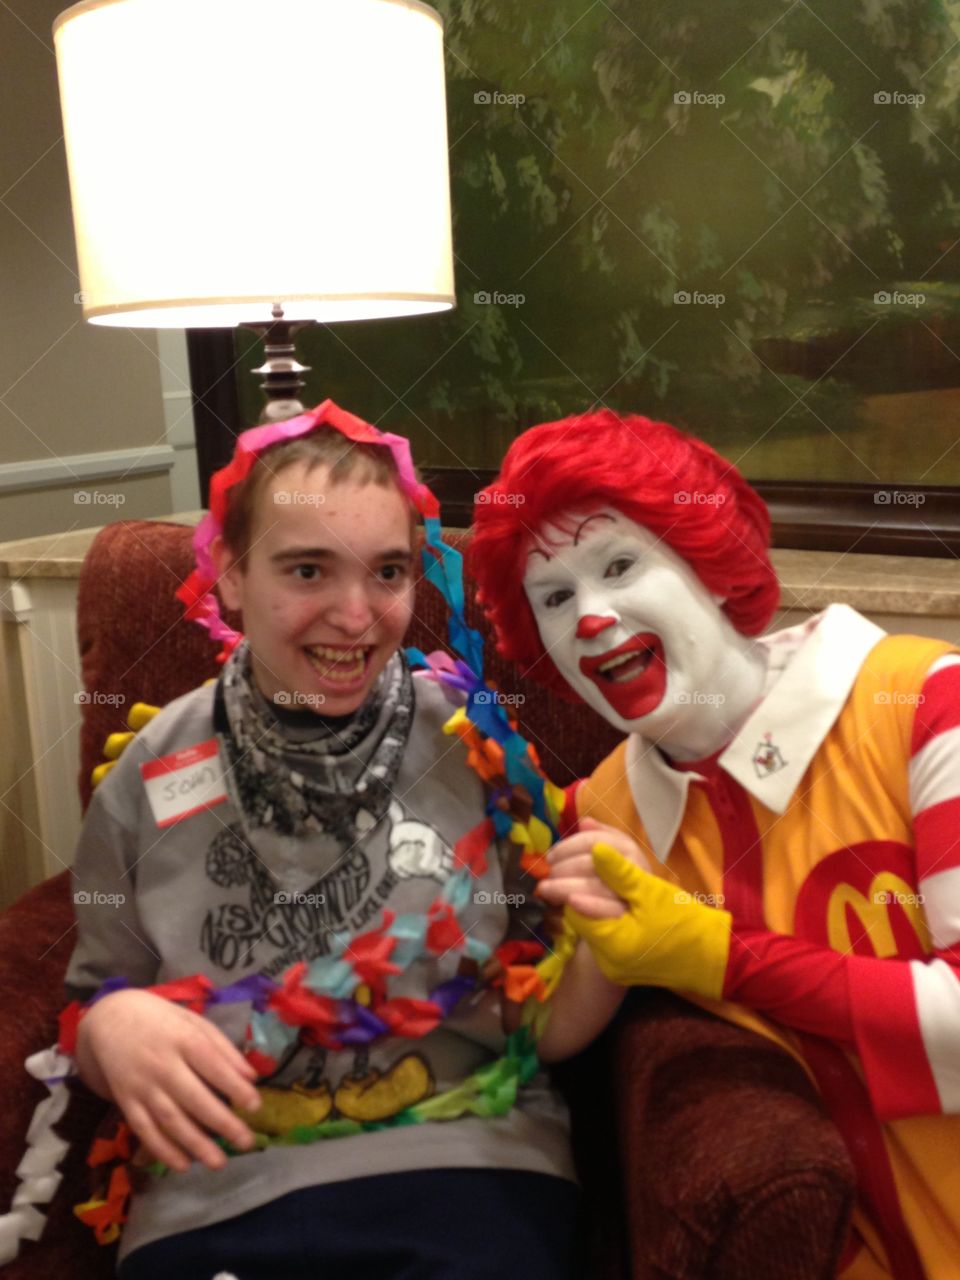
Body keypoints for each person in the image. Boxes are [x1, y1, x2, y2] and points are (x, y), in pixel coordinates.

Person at [64, 401, 626, 1280]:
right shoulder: (151, 768)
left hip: (463, 1165)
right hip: (219, 1191)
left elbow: (535, 1015)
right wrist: (112, 1028)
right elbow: (94, 998)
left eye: (389, 572)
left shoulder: (476, 749)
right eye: (308, 570)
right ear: (231, 576)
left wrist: (608, 946)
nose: (356, 615)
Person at [470, 407, 960, 1280]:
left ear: (707, 562)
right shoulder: (600, 817)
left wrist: (717, 955)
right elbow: (536, 1030)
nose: (591, 617)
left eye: (620, 565)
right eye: (554, 597)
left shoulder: (926, 706)